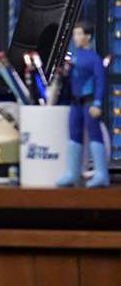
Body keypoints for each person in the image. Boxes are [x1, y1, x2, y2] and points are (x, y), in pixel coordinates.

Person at [56, 21, 110, 187]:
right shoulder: (74, 57)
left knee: (94, 134)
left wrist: (98, 103)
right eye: (75, 34)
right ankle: (73, 172)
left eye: (79, 34)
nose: (76, 37)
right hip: (75, 103)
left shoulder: (94, 59)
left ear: (88, 37)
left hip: (89, 102)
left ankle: (101, 173)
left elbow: (101, 82)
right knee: (74, 136)